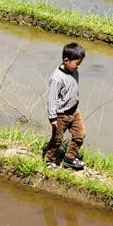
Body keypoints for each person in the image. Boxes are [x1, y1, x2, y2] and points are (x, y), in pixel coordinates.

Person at [44, 42, 86, 170]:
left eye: (80, 63)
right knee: (57, 139)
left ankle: (69, 158)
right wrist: (53, 118)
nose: (79, 66)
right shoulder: (57, 78)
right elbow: (52, 99)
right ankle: (49, 160)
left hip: (74, 111)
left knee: (80, 135)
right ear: (66, 60)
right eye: (77, 63)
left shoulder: (75, 71)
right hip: (61, 114)